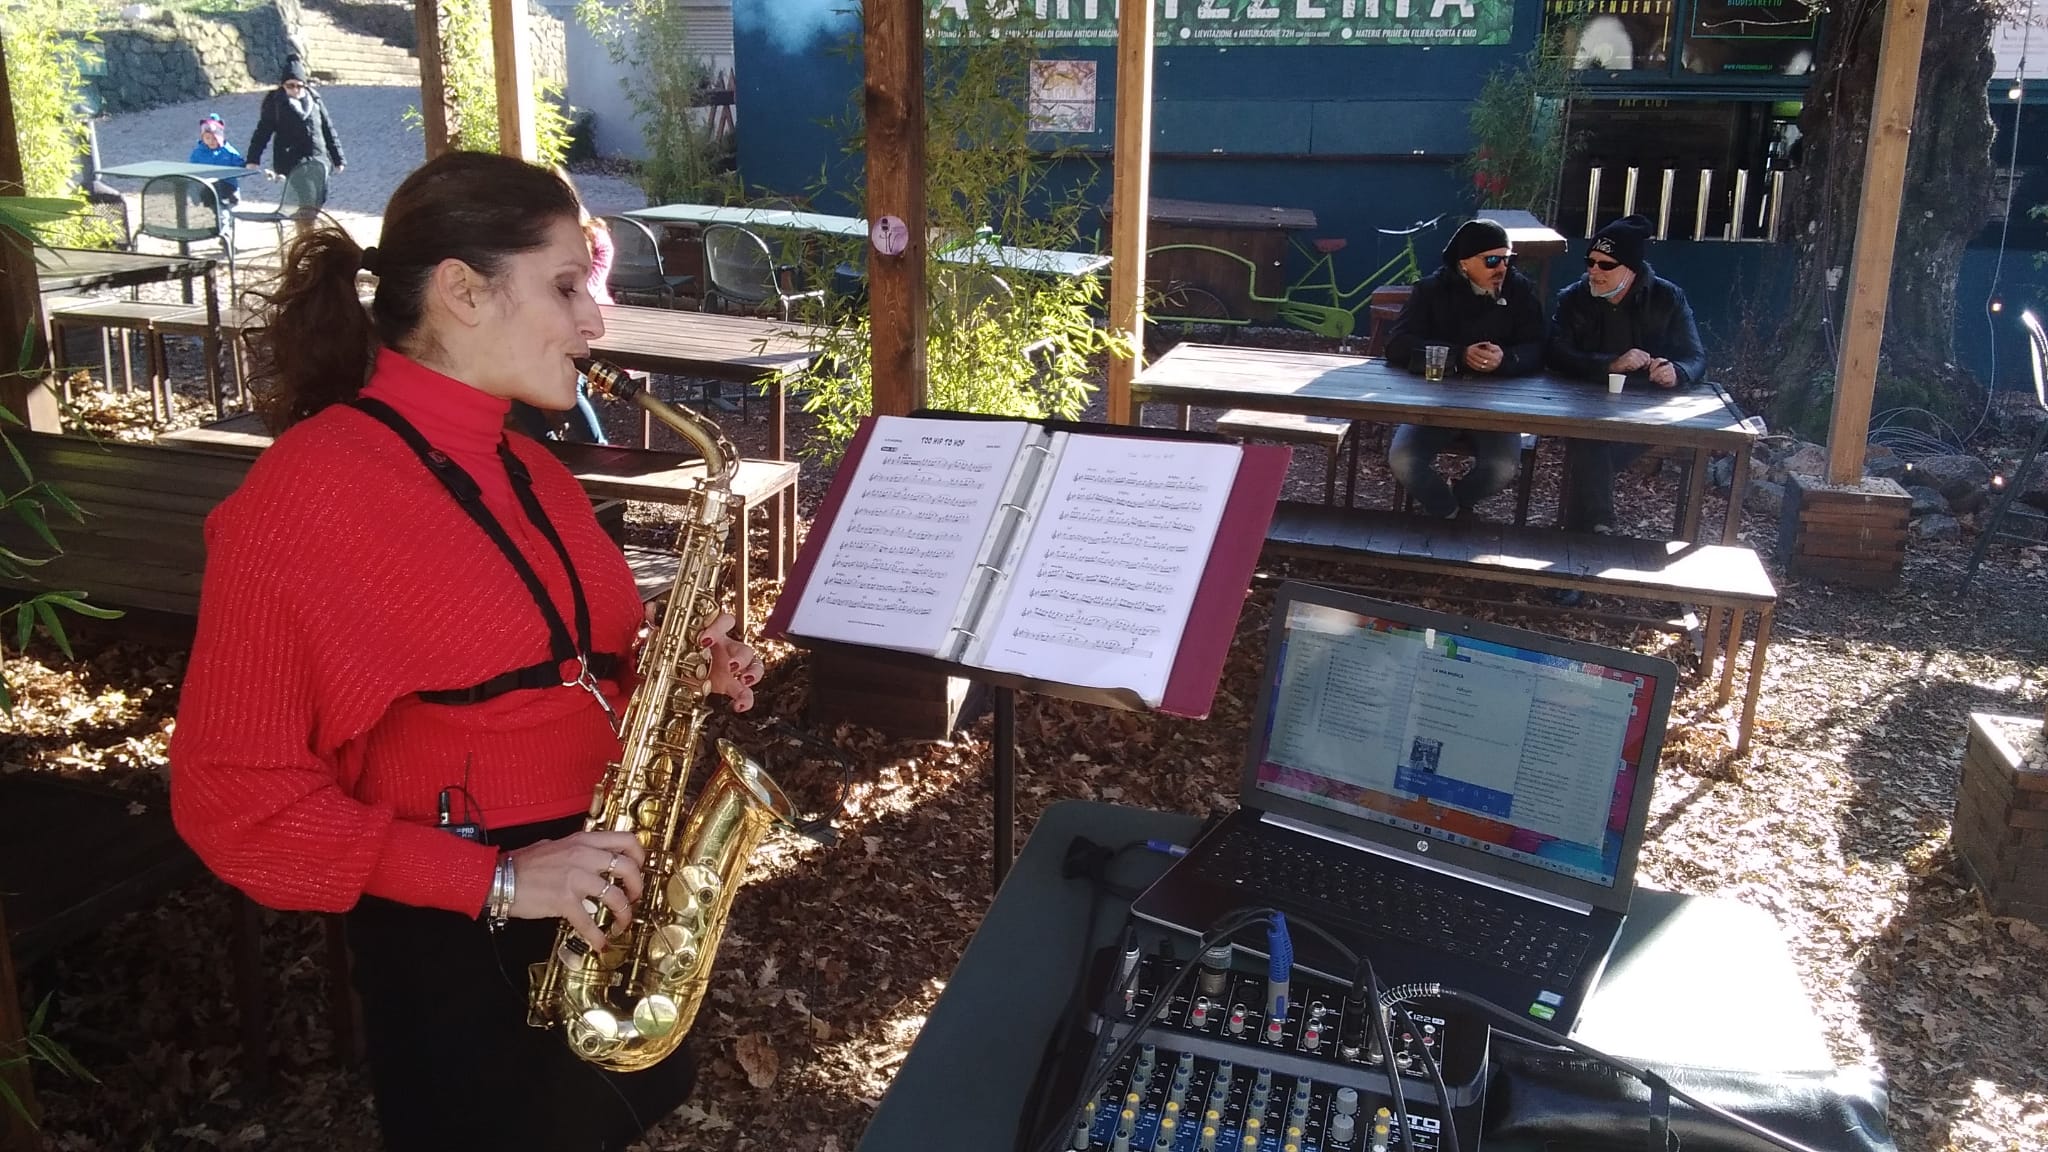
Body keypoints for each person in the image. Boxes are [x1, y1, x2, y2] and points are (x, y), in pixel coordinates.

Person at [169, 151, 764, 1152]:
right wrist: (493, 881)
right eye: (567, 286)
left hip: (596, 894)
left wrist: (665, 669)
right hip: (463, 942)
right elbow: (233, 801)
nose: (595, 323)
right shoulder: (301, 501)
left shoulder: (529, 468)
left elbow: (552, 656)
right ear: (460, 291)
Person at [1547, 213, 1707, 534]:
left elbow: (1695, 356)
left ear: (1630, 270)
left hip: (1645, 412)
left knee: (1589, 455)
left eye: (1606, 265)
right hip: (1585, 406)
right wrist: (1610, 364)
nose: (1594, 271)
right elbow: (1554, 353)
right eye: (1590, 262)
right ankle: (1601, 526)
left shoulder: (1668, 298)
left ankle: (1584, 540)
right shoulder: (1573, 298)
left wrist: (1676, 372)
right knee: (1589, 441)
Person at [1380, 218, 1545, 520]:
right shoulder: (1431, 290)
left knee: (1503, 467)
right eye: (1492, 260)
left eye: (1508, 259)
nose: (1502, 268)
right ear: (1465, 263)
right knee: (1404, 459)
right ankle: (1450, 514)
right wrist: (1457, 356)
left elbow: (1539, 347)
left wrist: (1505, 359)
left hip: (1496, 407)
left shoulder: (1520, 291)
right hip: (1435, 402)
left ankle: (1453, 506)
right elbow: (1397, 345)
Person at [514, 171, 613, 444]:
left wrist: (563, 295)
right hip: (543, 327)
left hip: (590, 323)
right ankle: (548, 447)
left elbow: (590, 285)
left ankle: (597, 446)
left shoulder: (595, 233)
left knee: (573, 383)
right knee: (518, 394)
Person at [244, 53, 346, 184]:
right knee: (302, 199)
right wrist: (253, 159)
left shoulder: (315, 101)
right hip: (290, 163)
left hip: (318, 161)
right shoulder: (275, 103)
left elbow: (328, 129)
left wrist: (338, 159)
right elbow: (262, 133)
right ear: (283, 85)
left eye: (299, 86)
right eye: (290, 85)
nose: (295, 89)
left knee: (318, 199)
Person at [188, 113, 244, 209]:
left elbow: (240, 164)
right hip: (206, 185)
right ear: (203, 138)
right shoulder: (198, 152)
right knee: (194, 187)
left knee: (219, 189)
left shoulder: (228, 151)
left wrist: (243, 166)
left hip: (227, 184)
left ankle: (227, 210)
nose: (211, 141)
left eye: (215, 138)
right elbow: (192, 168)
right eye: (207, 138)